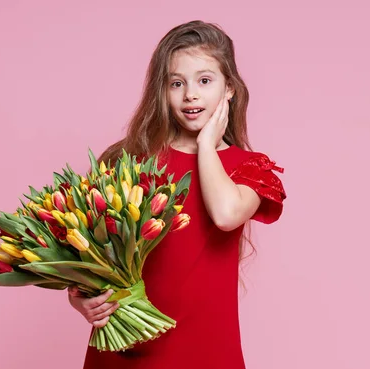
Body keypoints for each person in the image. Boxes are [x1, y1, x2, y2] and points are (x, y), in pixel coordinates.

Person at [67, 20, 287, 368]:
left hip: (206, 349)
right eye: (176, 83)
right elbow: (91, 252)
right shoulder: (132, 161)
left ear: (229, 88)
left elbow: (226, 215)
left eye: (204, 80)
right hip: (128, 348)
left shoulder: (250, 168)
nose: (190, 95)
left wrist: (206, 147)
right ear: (162, 90)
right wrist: (81, 298)